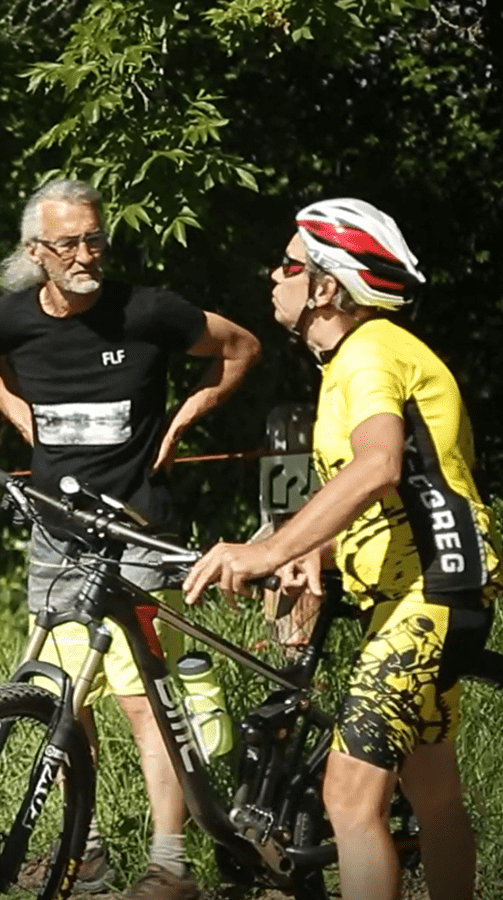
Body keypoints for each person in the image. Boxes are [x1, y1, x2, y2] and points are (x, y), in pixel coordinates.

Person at [183, 198, 499, 900]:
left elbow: (378, 465)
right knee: (434, 791)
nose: (275, 273)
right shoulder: (363, 359)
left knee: (348, 801)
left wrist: (266, 551)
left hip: (428, 599)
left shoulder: (367, 355)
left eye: (290, 263)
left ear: (325, 287)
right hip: (434, 594)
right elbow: (410, 487)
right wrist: (316, 552)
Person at [0, 179, 260, 899]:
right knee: (68, 698)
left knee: (144, 702)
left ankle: (169, 866)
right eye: (68, 243)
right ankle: (83, 854)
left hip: (139, 532)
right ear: (37, 252)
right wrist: (17, 412)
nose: (86, 254)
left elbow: (241, 347)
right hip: (58, 535)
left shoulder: (148, 309)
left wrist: (184, 420)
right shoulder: (10, 320)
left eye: (94, 238)